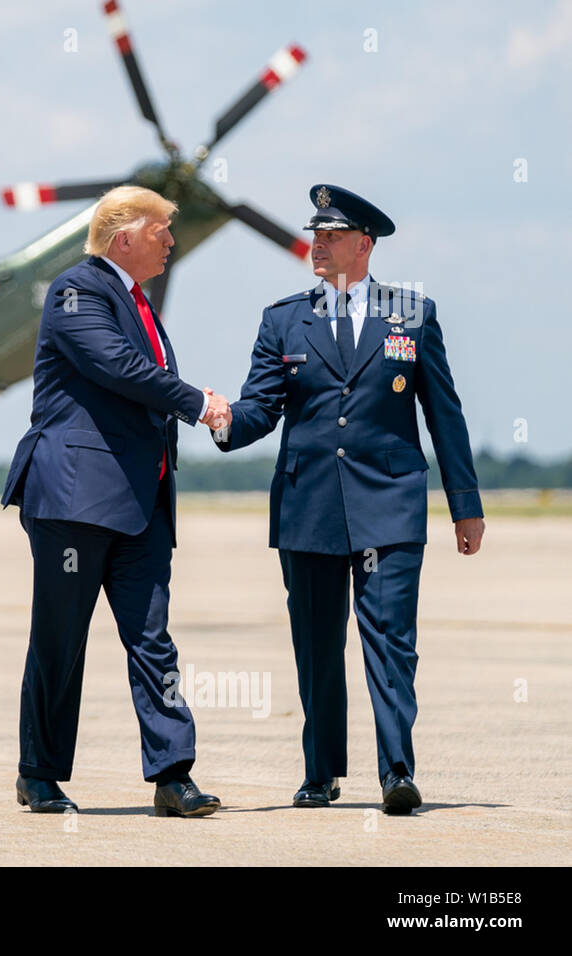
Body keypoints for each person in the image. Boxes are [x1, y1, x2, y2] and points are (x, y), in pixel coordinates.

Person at [212, 184, 485, 814]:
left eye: (332, 236)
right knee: (315, 642)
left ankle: (396, 771)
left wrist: (464, 504)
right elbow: (261, 409)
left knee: (390, 638)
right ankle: (321, 771)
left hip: (389, 503)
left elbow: (444, 412)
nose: (318, 245)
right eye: (315, 234)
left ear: (364, 243)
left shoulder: (412, 313)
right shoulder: (283, 318)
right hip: (308, 507)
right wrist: (218, 418)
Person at [1, 185, 231, 817]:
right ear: (124, 235)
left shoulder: (138, 302)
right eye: (162, 231)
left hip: (144, 501)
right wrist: (197, 402)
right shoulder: (77, 289)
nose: (171, 242)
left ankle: (172, 775)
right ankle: (39, 773)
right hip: (78, 498)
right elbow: (116, 366)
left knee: (153, 639)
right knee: (60, 637)